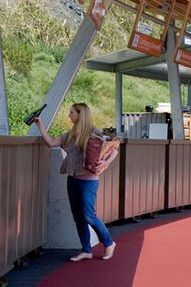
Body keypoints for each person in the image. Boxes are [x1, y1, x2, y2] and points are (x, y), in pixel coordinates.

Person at [34, 103, 118, 262]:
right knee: (78, 217)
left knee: (88, 216)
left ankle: (109, 242)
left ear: (81, 114)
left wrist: (106, 163)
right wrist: (40, 126)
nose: (69, 115)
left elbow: (114, 149)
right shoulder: (71, 134)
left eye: (72, 112)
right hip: (72, 180)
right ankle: (86, 250)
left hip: (89, 182)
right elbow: (51, 143)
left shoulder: (95, 132)